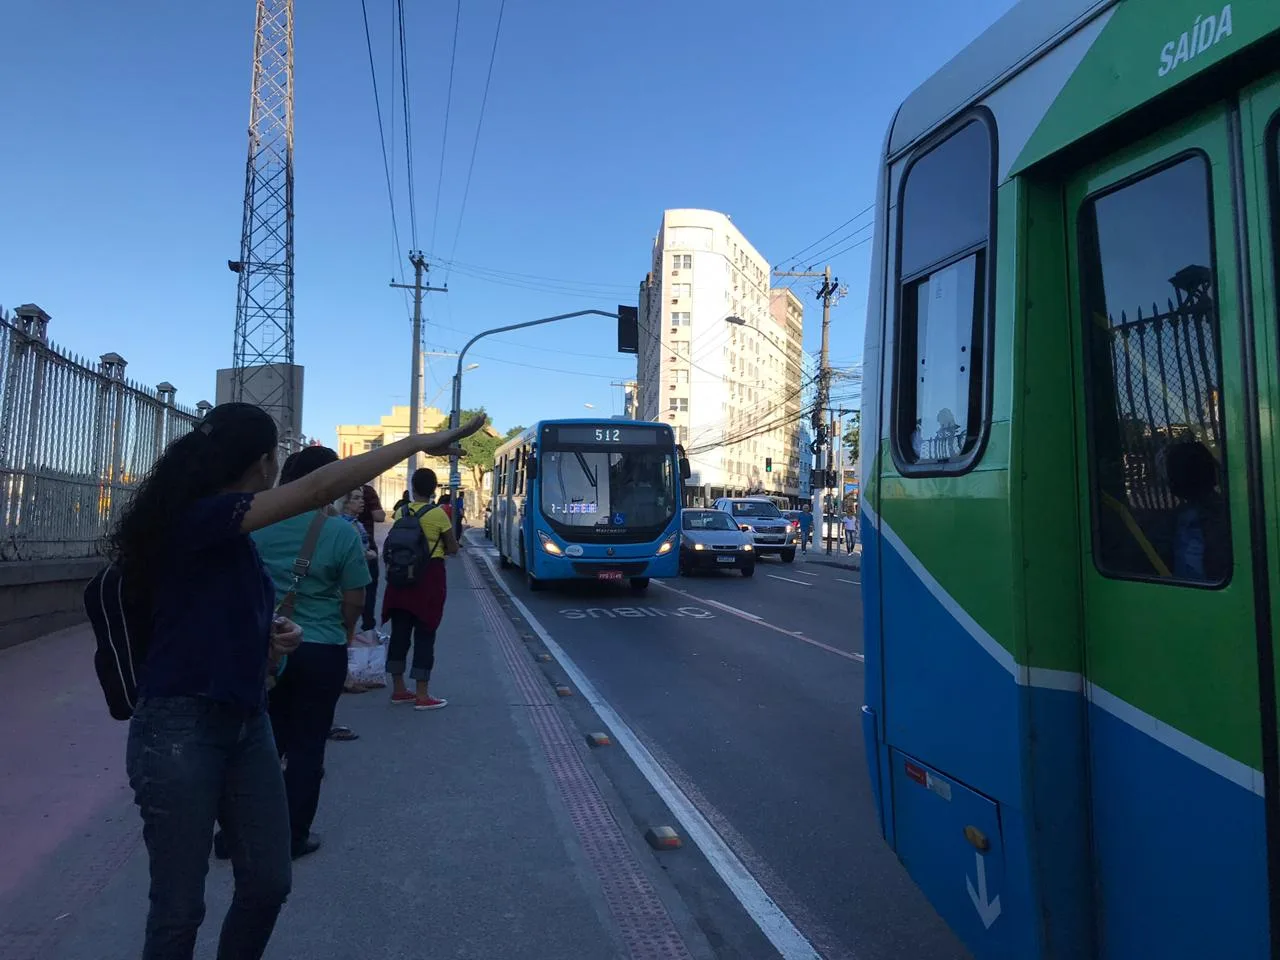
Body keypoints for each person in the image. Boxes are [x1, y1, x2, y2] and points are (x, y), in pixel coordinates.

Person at [109, 402, 485, 960]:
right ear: (261, 462)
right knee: (179, 908)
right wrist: (419, 443)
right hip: (179, 729)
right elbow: (315, 490)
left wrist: (270, 634)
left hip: (246, 718)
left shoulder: (230, 538)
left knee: (267, 882)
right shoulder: (199, 517)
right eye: (275, 457)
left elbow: (209, 611)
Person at [252, 449, 372, 859]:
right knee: (306, 746)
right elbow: (355, 597)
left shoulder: (255, 523)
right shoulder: (340, 532)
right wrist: (346, 631)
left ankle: (235, 835)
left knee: (255, 744)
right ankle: (292, 836)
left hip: (257, 646)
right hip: (320, 649)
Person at [383, 468, 459, 710]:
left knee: (399, 633)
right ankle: (422, 695)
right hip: (429, 578)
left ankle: (398, 689)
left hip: (399, 578)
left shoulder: (399, 512)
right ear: (434, 489)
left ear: (413, 487)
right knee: (425, 633)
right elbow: (453, 547)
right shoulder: (438, 515)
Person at [356, 483, 385, 631]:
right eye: (356, 499)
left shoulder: (337, 487)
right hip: (366, 550)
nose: (360, 502)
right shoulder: (367, 490)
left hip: (340, 549)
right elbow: (379, 516)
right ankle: (367, 629)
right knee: (369, 590)